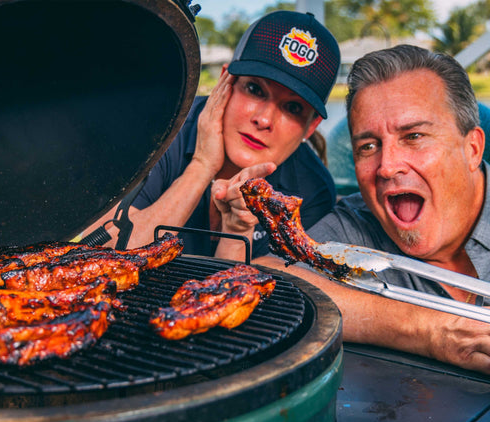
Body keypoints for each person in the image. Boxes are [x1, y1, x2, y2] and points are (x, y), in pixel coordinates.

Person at [245, 45, 490, 383]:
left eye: (414, 136)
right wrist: (432, 329)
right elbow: (267, 279)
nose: (387, 166)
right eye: (368, 147)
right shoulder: (355, 227)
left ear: (472, 149)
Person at [81, 10, 340, 260]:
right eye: (254, 89)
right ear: (224, 82)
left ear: (311, 126)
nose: (263, 119)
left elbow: (266, 297)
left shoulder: (311, 191)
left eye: (292, 108)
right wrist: (202, 166)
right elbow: (99, 258)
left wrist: (238, 228)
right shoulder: (163, 130)